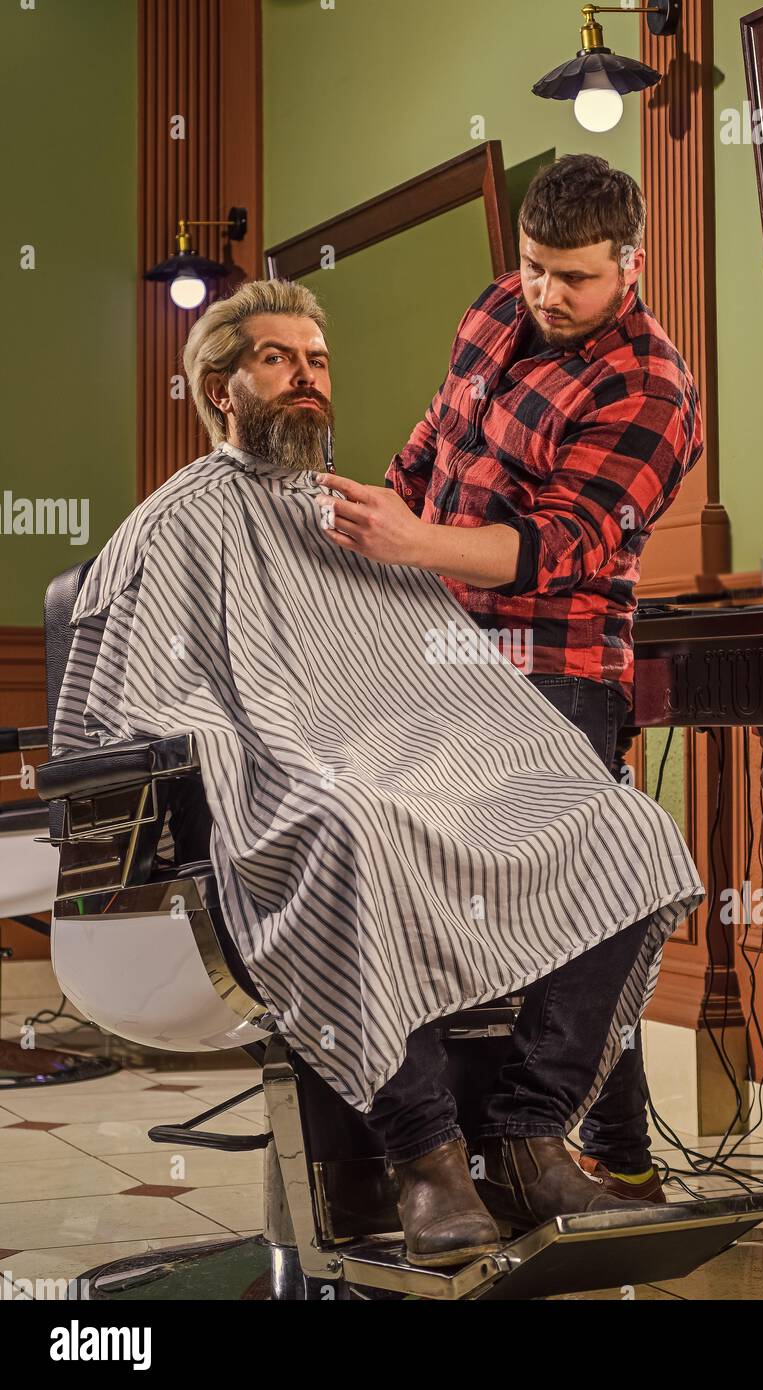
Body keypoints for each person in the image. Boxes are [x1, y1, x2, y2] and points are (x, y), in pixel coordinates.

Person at [54, 276, 704, 1270]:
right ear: (221, 386)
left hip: (408, 769)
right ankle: (426, 1159)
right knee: (350, 822)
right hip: (286, 784)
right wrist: (265, 750)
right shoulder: (172, 525)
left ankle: (528, 1137)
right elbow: (140, 699)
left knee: (624, 826)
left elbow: (434, 677)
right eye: (278, 359)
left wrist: (460, 754)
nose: (307, 378)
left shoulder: (361, 517)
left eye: (317, 361)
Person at [321, 155, 704, 1213]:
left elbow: (554, 545)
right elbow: (427, 447)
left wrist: (411, 543)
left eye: (572, 277)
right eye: (534, 267)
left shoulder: (652, 388)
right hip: (433, 658)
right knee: (385, 862)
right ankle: (499, 1154)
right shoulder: (494, 306)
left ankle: (531, 1136)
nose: (545, 292)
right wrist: (369, 530)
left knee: (592, 887)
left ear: (628, 263)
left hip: (553, 674)